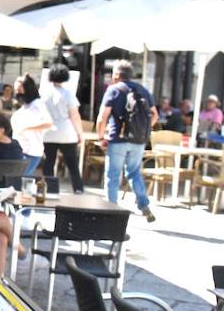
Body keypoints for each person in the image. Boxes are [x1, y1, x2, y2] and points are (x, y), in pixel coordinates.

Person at [96, 59, 158, 221]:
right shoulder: (143, 90)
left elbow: (102, 117)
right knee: (134, 172)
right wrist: (142, 131)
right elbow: (155, 115)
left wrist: (101, 137)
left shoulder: (113, 90)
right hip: (138, 140)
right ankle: (143, 204)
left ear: (117, 75)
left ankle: (111, 210)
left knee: (113, 175)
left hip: (118, 139)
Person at [41, 64, 85, 193]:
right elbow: (75, 115)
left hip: (48, 132)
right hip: (67, 132)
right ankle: (78, 188)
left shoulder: (44, 94)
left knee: (49, 162)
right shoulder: (68, 94)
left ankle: (50, 189)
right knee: (72, 162)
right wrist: (80, 133)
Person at [10, 74, 52, 175]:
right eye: (16, 90)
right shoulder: (25, 106)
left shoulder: (37, 105)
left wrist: (26, 128)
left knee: (18, 178)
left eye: (19, 90)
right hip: (20, 149)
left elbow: (48, 123)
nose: (17, 93)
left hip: (30, 151)